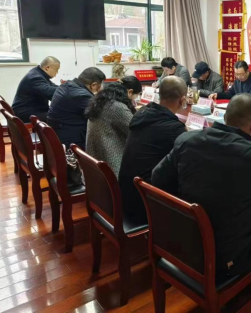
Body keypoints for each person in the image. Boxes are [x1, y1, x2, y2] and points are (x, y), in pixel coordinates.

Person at [152, 94, 251, 313]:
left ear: (225, 117)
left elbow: (157, 178)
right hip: (229, 256)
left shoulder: (187, 140)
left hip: (184, 242)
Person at [119, 76, 188, 225]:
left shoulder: (142, 113)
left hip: (126, 194)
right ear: (182, 100)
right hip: (145, 203)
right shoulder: (173, 129)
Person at [85, 76, 142, 177]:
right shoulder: (116, 106)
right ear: (130, 92)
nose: (136, 99)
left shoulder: (102, 100)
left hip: (95, 160)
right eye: (137, 95)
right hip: (112, 165)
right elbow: (136, 131)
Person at [47, 67, 106, 150]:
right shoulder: (81, 95)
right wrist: (101, 93)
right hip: (71, 143)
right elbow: (103, 113)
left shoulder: (66, 85)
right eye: (99, 86)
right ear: (93, 85)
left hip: (58, 134)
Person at [12, 56, 60, 123]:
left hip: (31, 110)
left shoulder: (38, 74)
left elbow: (53, 86)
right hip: (25, 113)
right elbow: (49, 92)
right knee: (61, 118)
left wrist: (66, 88)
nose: (57, 72)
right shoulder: (35, 77)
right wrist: (66, 90)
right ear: (47, 68)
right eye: (56, 69)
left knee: (59, 115)